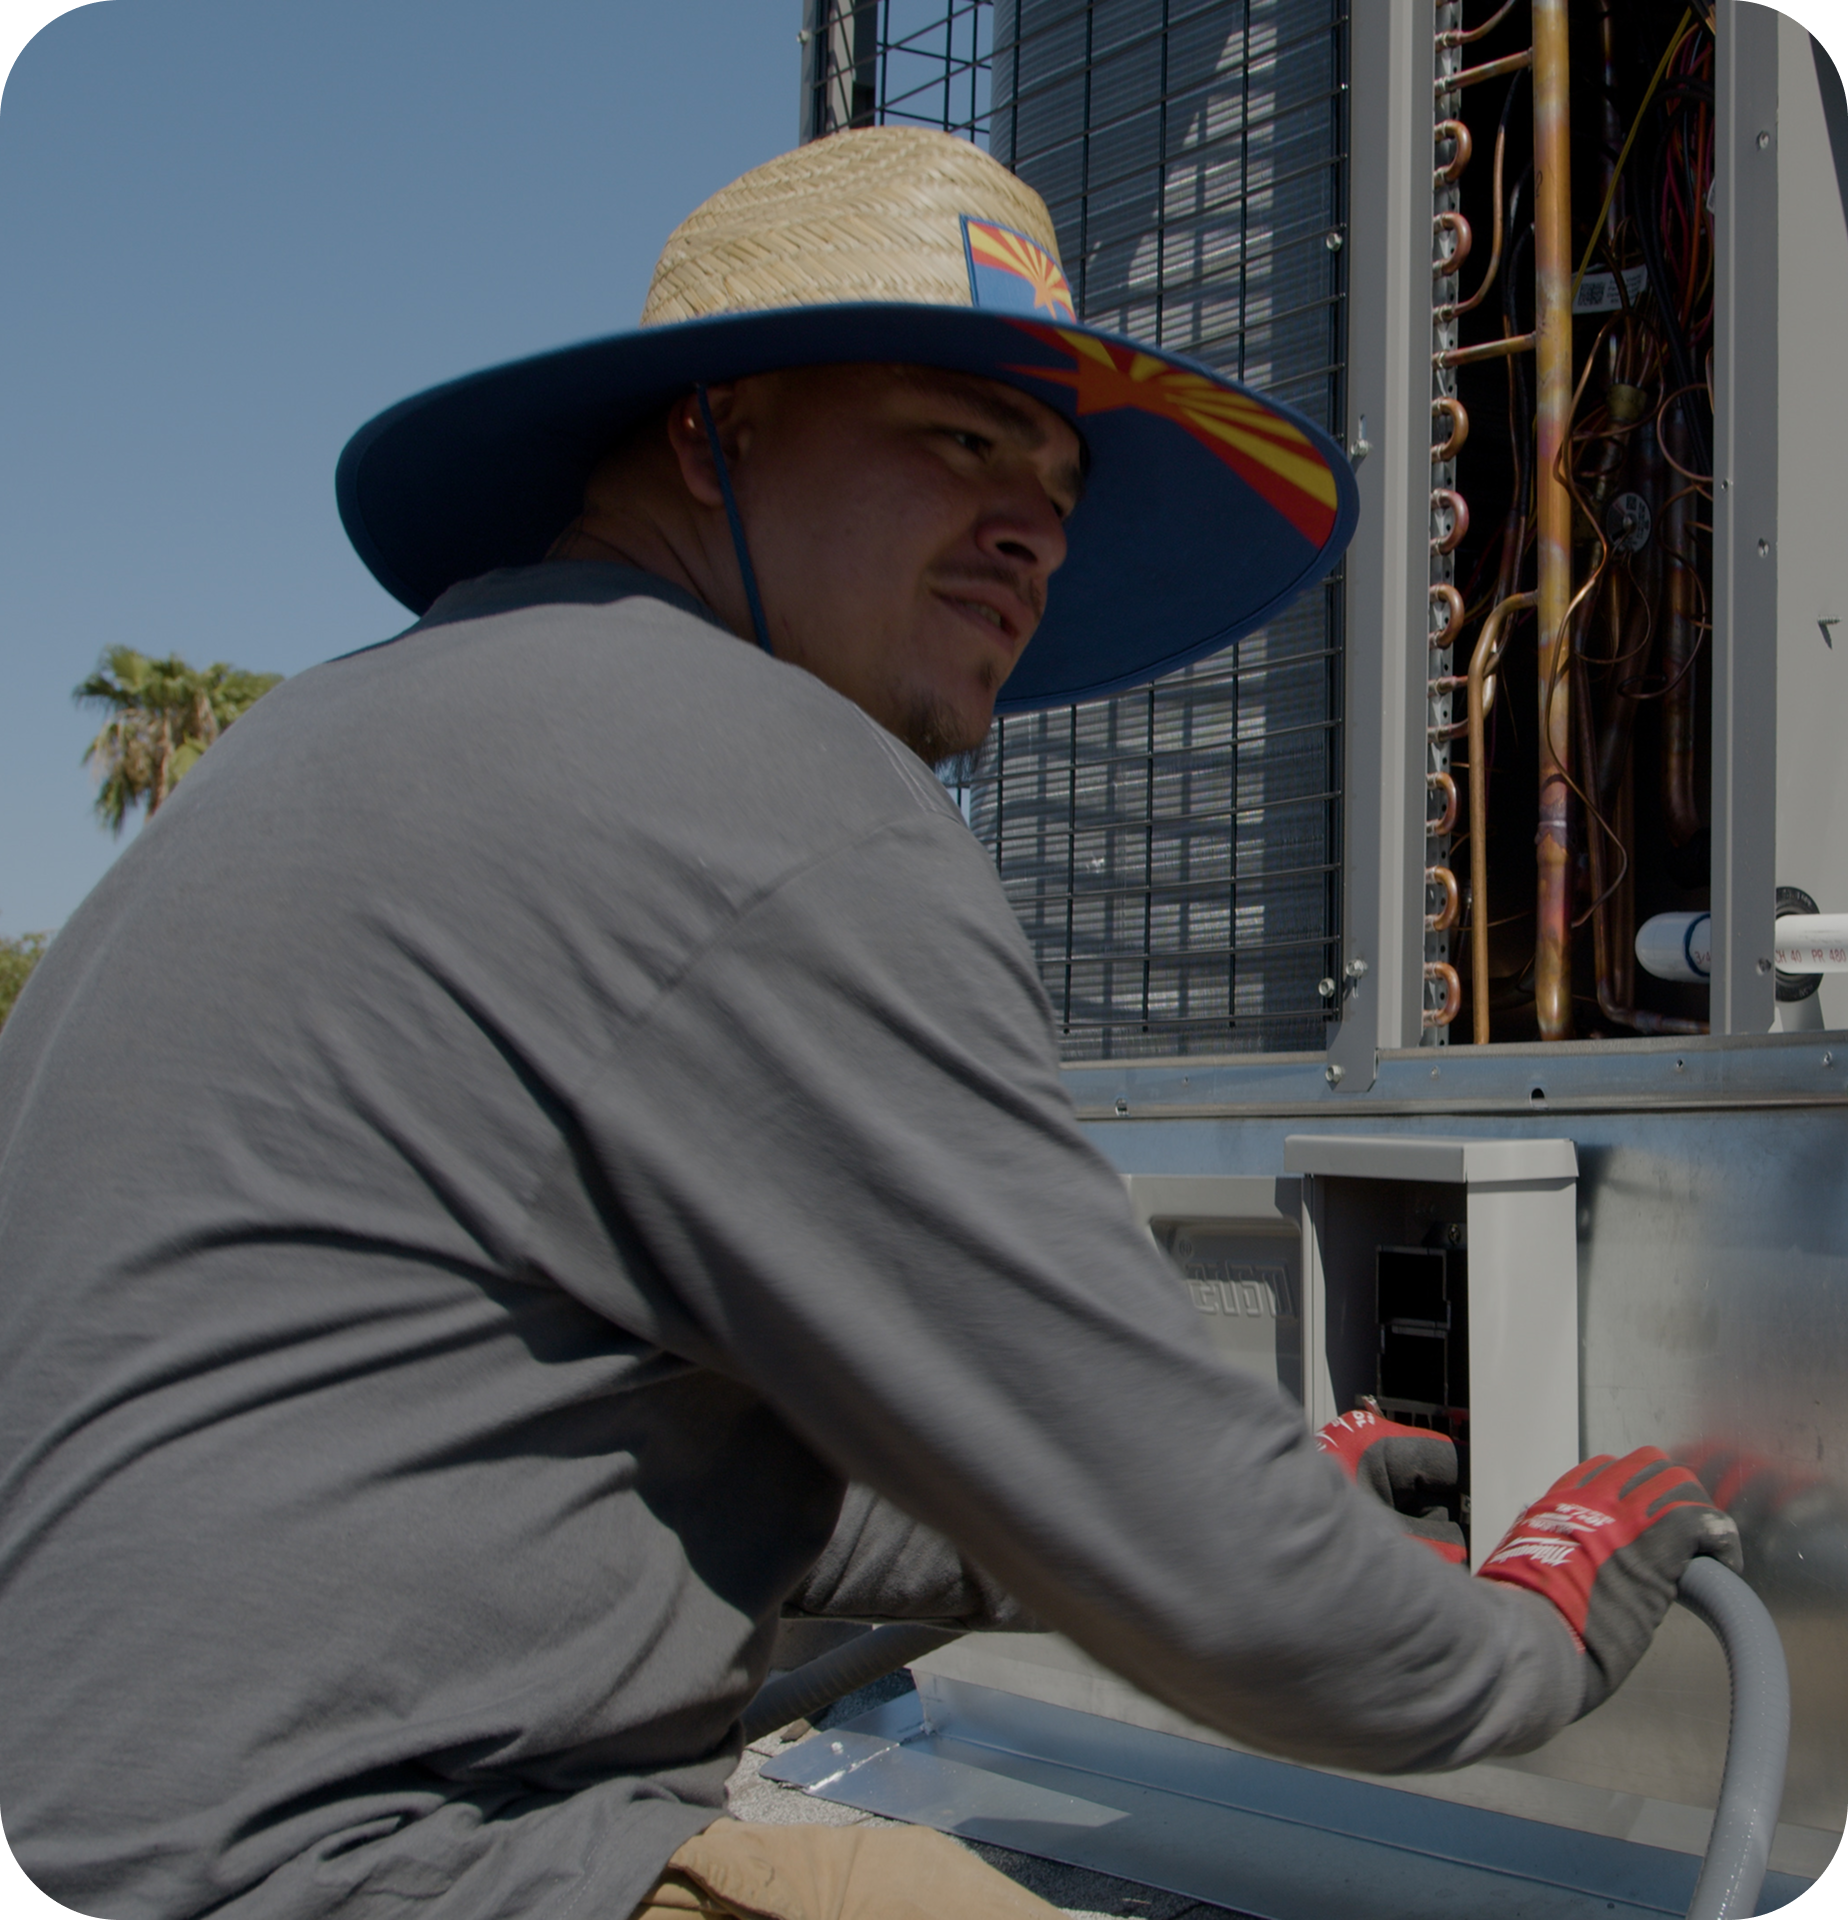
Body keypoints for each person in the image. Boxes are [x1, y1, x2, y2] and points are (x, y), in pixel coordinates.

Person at [0, 127, 1739, 1920]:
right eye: (961, 433)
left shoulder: (354, 733)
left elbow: (612, 1466)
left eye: (1058, 480)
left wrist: (1151, 1507)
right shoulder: (748, 781)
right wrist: (1521, 1631)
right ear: (713, 427)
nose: (1036, 528)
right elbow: (1234, 1599)